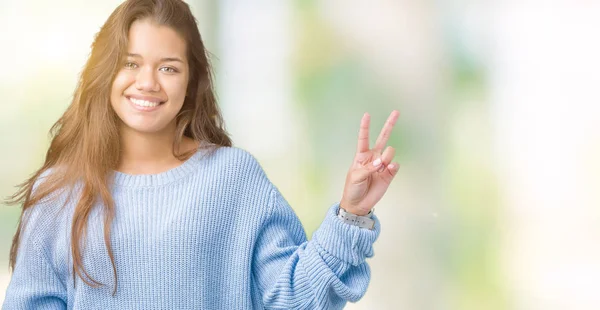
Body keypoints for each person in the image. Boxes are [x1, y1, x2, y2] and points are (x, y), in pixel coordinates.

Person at [2, 0, 400, 309]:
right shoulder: (58, 192)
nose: (147, 83)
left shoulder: (232, 178)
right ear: (104, 72)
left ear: (191, 79)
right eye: (130, 63)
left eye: (169, 68)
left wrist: (352, 214)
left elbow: (293, 300)